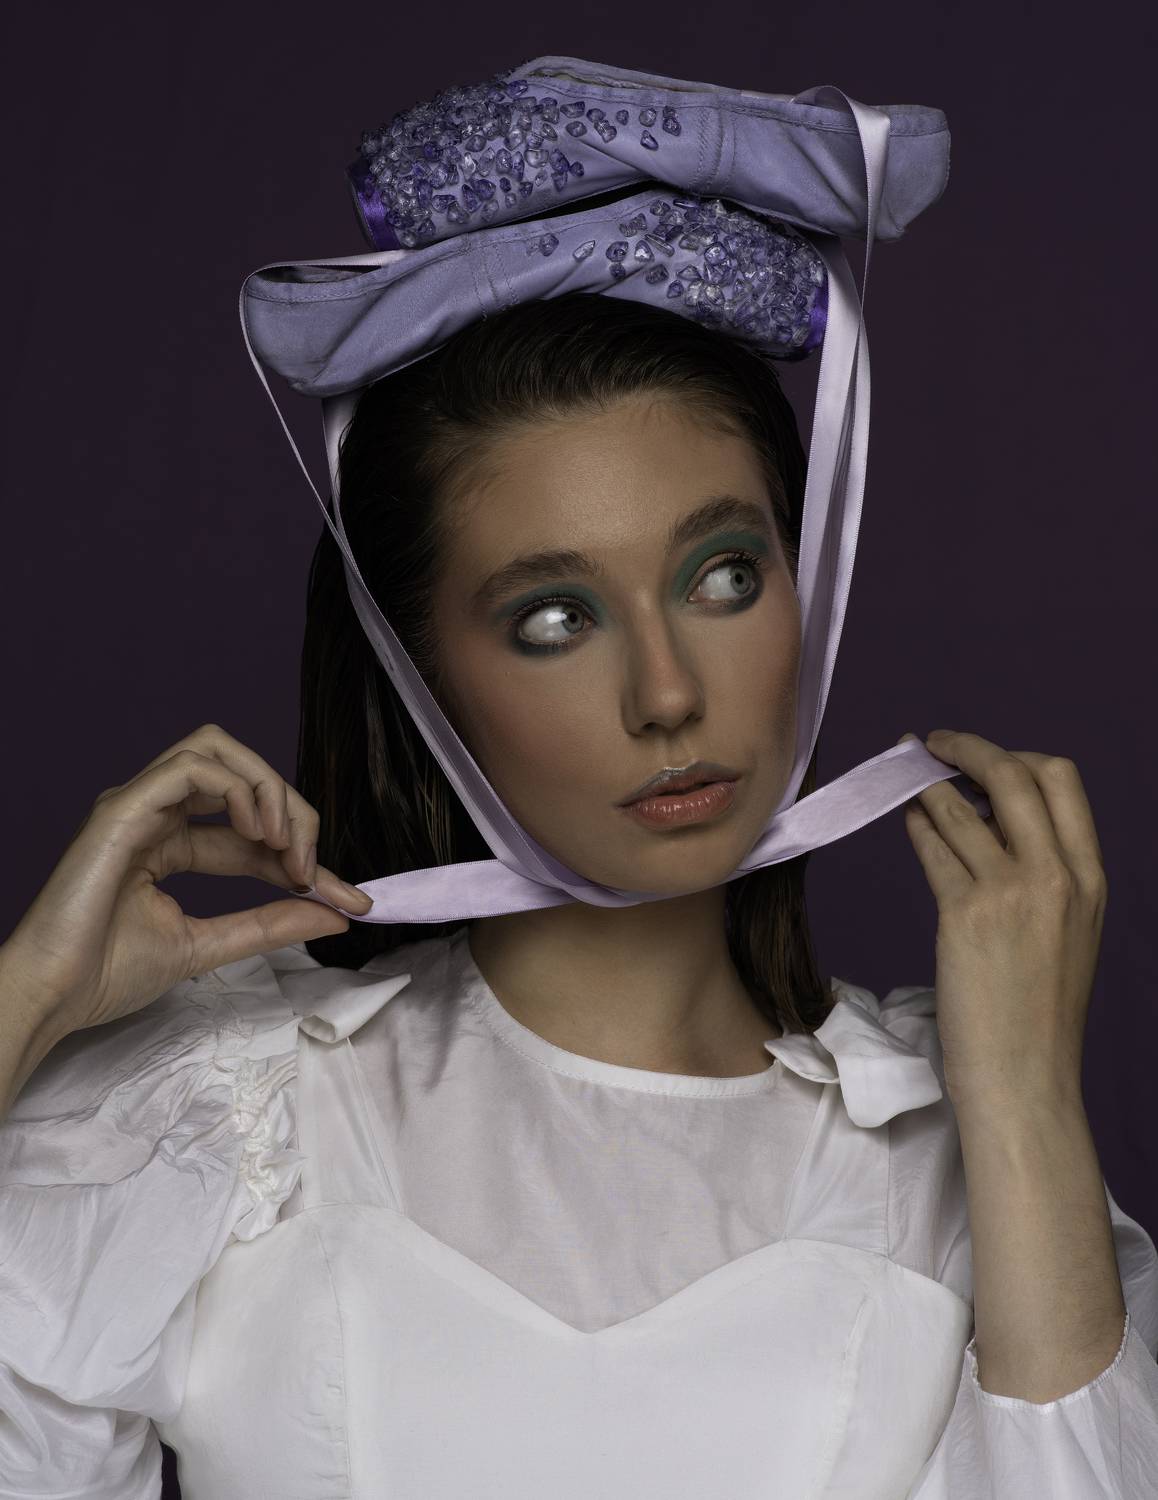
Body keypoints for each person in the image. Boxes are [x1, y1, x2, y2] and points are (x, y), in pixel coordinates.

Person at [3, 57, 1158, 1500]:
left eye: (723, 576)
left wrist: (1024, 1098)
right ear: (416, 672)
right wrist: (26, 1000)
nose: (666, 692)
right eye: (553, 618)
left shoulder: (947, 1147)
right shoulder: (229, 1121)